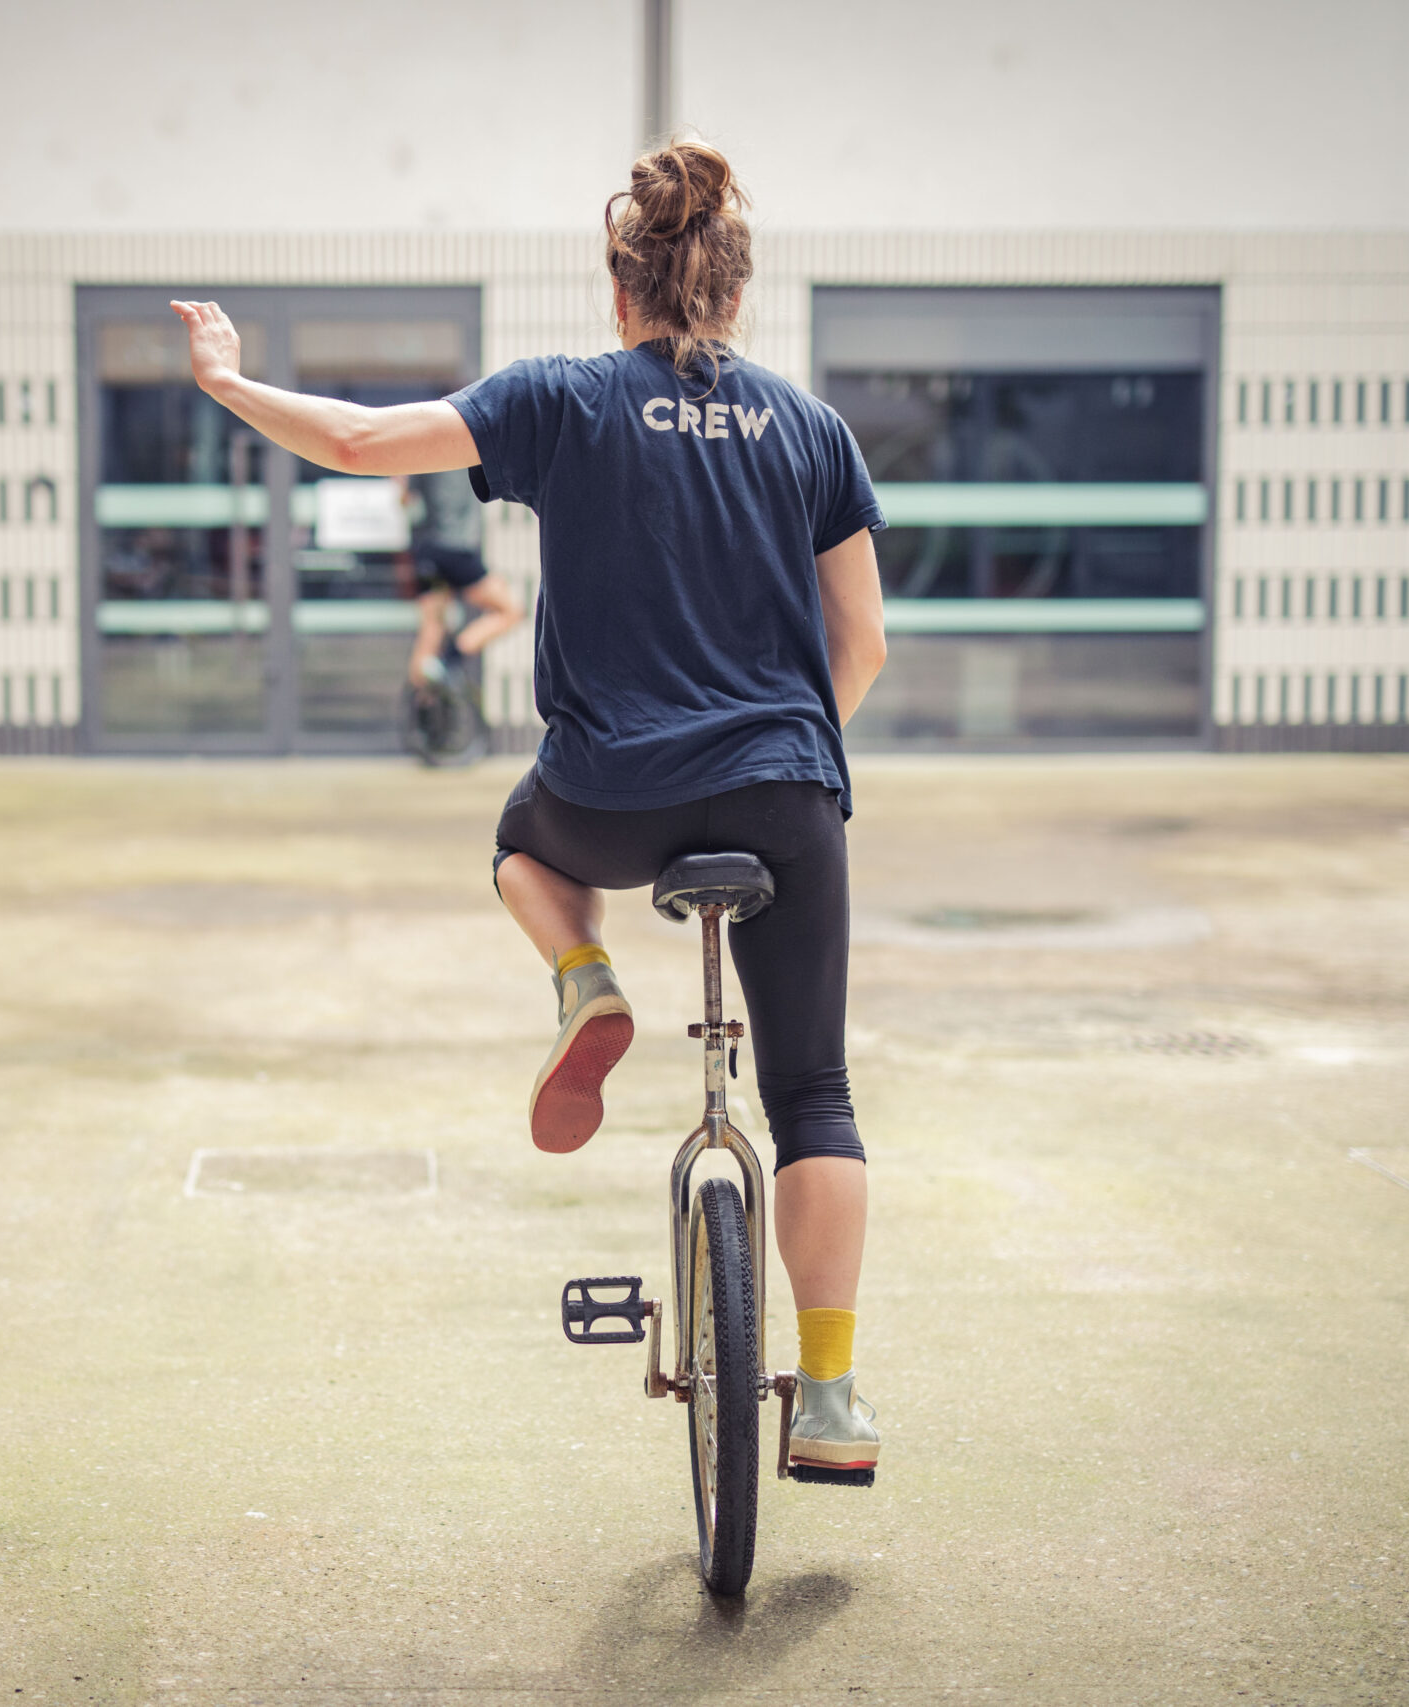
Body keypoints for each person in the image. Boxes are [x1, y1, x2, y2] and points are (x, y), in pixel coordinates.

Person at [169, 140, 890, 1477]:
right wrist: (789, 755)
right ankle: (834, 1397)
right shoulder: (812, 428)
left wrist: (223, 379)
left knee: (517, 845)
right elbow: (864, 642)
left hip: (608, 797)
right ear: (734, 294)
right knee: (815, 1095)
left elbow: (356, 440)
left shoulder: (564, 397)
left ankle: (586, 976)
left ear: (620, 295)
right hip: (786, 791)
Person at [399, 467, 523, 691]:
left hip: (426, 549)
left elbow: (405, 498)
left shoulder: (420, 452)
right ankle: (450, 659)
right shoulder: (465, 446)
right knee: (510, 610)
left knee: (431, 629)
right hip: (457, 549)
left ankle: (421, 707)